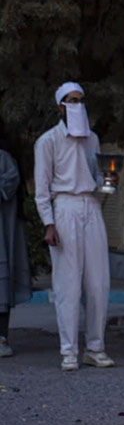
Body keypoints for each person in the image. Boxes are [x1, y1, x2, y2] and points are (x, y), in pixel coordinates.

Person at [34, 82, 116, 371]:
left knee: (98, 282)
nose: (77, 104)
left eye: (80, 100)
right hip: (65, 207)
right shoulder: (48, 141)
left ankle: (95, 347)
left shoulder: (92, 139)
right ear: (60, 106)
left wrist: (108, 182)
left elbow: (100, 176)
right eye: (71, 100)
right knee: (68, 284)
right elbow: (42, 188)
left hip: (90, 206)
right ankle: (69, 351)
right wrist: (49, 223)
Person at [0, 147, 32, 356]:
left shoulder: (4, 158)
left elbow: (10, 182)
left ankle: (1, 336)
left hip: (2, 232)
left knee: (1, 286)